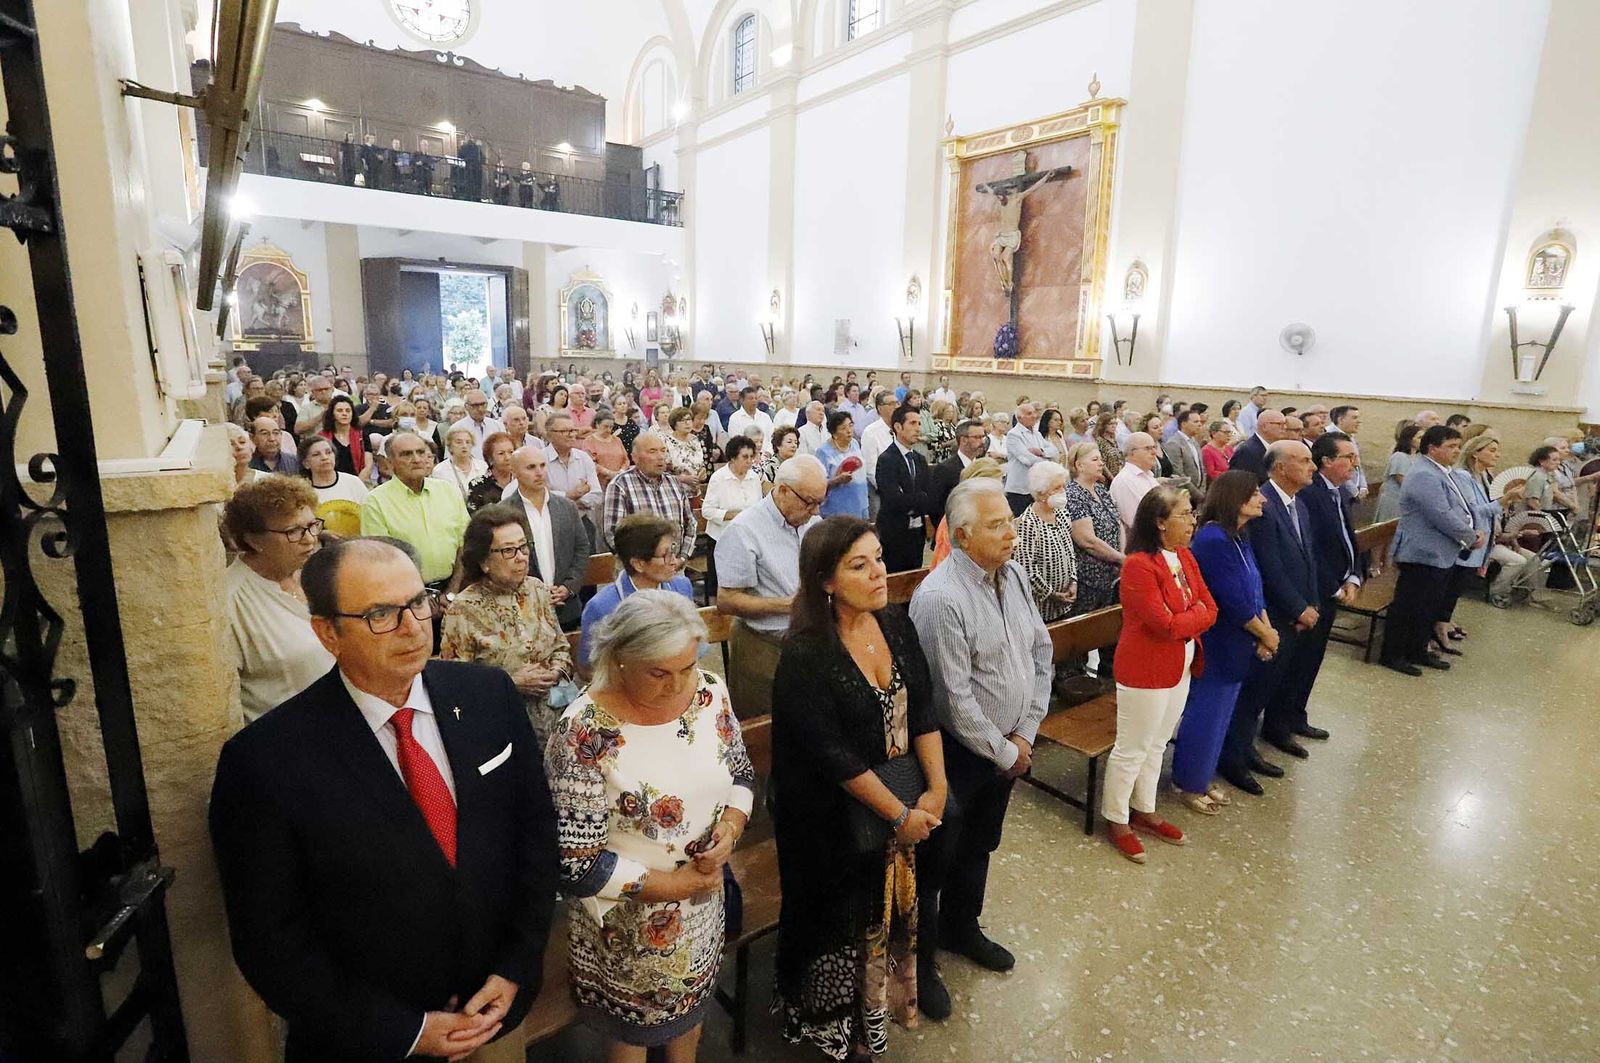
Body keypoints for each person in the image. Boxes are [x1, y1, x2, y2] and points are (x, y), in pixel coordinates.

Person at [209, 538, 559, 1063]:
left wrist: (516, 965)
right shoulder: (264, 761)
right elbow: (270, 940)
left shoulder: (487, 695)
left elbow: (534, 834)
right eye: (380, 614)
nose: (414, 626)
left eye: (418, 602)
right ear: (328, 632)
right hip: (370, 1039)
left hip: (494, 1009)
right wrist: (406, 1030)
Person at [545, 591, 753, 1060]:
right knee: (631, 1033)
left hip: (703, 903)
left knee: (691, 1011)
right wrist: (678, 884)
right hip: (627, 926)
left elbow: (739, 770)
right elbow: (578, 865)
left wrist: (732, 828)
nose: (678, 685)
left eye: (686, 666)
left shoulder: (708, 691)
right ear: (619, 659)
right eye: (659, 673)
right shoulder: (583, 732)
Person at [773, 516, 950, 1049]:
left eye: (878, 558)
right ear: (826, 581)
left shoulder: (895, 622)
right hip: (828, 816)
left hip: (902, 794)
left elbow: (922, 708)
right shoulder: (807, 651)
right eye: (859, 565)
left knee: (890, 915)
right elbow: (833, 757)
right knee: (841, 922)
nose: (878, 572)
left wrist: (937, 789)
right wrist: (900, 814)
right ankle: (836, 1028)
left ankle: (880, 1010)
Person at [909, 478, 1051, 995]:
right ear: (962, 535)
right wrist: (1005, 750)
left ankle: (962, 929)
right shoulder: (940, 598)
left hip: (1011, 743)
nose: (1012, 532)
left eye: (1010, 521)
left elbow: (1040, 653)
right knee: (937, 859)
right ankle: (921, 965)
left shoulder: (1012, 575)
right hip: (956, 754)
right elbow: (951, 700)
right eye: (997, 525)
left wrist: (1027, 732)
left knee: (979, 845)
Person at [1104, 487, 1216, 861]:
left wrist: (1188, 618)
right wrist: (1191, 617)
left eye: (1191, 513)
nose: (1192, 520)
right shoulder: (1139, 564)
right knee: (1132, 747)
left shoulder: (1183, 555)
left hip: (1179, 661)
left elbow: (1210, 608)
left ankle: (1145, 809)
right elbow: (1161, 624)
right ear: (1159, 522)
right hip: (1146, 667)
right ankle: (1117, 818)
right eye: (1184, 514)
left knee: (1157, 742)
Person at [1217, 441, 1319, 793]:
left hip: (1291, 613)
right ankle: (1234, 756)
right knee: (1252, 692)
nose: (1312, 467)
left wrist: (1313, 602)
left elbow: (1307, 559)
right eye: (1304, 460)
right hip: (1271, 616)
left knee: (1269, 688)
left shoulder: (1297, 505)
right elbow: (1269, 568)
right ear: (1280, 468)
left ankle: (1248, 749)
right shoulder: (1263, 507)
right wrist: (1297, 608)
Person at [1170, 472, 1275, 815]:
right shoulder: (1213, 538)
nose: (1262, 499)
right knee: (1207, 714)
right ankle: (1188, 782)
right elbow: (1230, 598)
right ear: (1236, 498)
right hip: (1220, 640)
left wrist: (1266, 629)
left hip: (1242, 638)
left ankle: (1202, 775)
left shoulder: (1238, 535)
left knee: (1224, 713)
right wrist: (1263, 632)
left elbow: (1255, 586)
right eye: (1255, 493)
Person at [440, 505, 575, 748]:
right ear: (484, 561)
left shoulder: (537, 590)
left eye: (523, 547)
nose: (521, 557)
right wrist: (511, 683)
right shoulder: (463, 610)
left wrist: (555, 671)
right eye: (509, 551)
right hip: (501, 727)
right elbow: (455, 686)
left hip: (557, 714)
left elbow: (561, 646)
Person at [715, 456, 825, 716]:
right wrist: (788, 605)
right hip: (763, 645)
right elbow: (727, 600)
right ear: (783, 490)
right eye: (810, 502)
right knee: (765, 726)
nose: (816, 511)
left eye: (821, 502)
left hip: (810, 641)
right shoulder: (744, 530)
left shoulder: (812, 523)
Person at [222, 477, 334, 727]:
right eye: (293, 531)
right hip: (289, 741)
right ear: (253, 540)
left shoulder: (315, 574)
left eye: (312, 525)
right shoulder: (231, 602)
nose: (310, 539)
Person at [1379, 426, 1481, 677]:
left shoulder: (1442, 471)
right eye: (1451, 446)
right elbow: (1440, 514)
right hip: (1422, 551)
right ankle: (1392, 654)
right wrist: (1469, 536)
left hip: (1440, 551)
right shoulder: (1424, 474)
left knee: (1428, 605)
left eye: (1458, 446)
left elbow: (1459, 506)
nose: (1456, 451)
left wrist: (1475, 529)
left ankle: (1417, 649)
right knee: (1409, 605)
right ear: (1432, 448)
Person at [578, 514, 695, 668]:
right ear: (638, 564)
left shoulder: (681, 588)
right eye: (665, 555)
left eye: (673, 551)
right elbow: (588, 667)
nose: (674, 561)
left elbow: (694, 644)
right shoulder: (602, 606)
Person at [359, 430, 469, 589]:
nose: (417, 459)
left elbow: (464, 544)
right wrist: (419, 599)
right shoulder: (375, 502)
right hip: (406, 594)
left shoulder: (448, 490)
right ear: (390, 463)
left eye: (421, 452)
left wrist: (452, 591)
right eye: (406, 454)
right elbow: (381, 559)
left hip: (454, 588)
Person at [506, 445, 586, 629]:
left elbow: (581, 549)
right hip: (524, 611)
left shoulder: (567, 507)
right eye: (531, 467)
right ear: (514, 471)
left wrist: (568, 587)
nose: (539, 472)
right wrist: (536, 593)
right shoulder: (505, 512)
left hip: (566, 607)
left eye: (542, 465)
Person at [1457, 436, 1543, 606]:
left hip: (1490, 536)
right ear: (1475, 453)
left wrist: (1508, 502)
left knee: (1534, 559)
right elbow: (1474, 511)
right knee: (1455, 585)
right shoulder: (1464, 476)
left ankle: (1525, 594)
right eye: (1492, 450)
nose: (1497, 455)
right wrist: (1506, 499)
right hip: (1475, 536)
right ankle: (1498, 593)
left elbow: (1496, 512)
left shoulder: (1484, 477)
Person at [602, 431, 698, 562]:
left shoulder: (675, 484)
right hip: (638, 568)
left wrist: (682, 558)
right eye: (652, 452)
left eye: (663, 451)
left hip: (675, 565)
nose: (660, 457)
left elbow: (691, 524)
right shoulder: (620, 485)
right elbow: (613, 533)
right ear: (635, 457)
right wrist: (642, 563)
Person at [1063, 441, 1125, 620]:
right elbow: (1087, 540)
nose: (1101, 464)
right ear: (1079, 465)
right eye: (1095, 460)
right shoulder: (1073, 494)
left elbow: (1117, 522)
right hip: (1089, 578)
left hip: (1112, 573)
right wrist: (1120, 558)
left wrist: (1120, 553)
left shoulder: (1101, 489)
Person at [874, 406, 933, 574]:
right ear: (898, 427)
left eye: (919, 423)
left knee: (912, 581)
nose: (918, 428)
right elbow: (893, 500)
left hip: (916, 534)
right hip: (894, 533)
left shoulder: (920, 460)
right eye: (912, 423)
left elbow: (929, 497)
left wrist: (913, 499)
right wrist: (918, 498)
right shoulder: (887, 460)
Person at [703, 435, 764, 598]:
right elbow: (707, 510)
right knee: (719, 584)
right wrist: (733, 515)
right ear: (732, 457)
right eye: (745, 457)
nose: (750, 461)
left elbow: (758, 505)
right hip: (720, 537)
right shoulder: (719, 478)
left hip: (746, 538)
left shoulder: (754, 477)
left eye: (752, 456)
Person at [544, 411, 603, 550]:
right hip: (552, 525)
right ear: (549, 434)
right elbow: (542, 495)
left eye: (573, 430)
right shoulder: (540, 460)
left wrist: (570, 502)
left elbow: (596, 494)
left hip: (583, 523)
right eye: (565, 431)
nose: (571, 435)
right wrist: (570, 496)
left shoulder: (583, 458)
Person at [299, 435, 368, 536]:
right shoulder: (302, 490)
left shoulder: (353, 482)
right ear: (306, 463)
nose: (324, 457)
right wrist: (321, 534)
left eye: (328, 452)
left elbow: (369, 515)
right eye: (316, 454)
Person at [929, 418, 990, 531]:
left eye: (983, 437)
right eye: (977, 437)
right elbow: (936, 507)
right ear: (963, 440)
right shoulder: (945, 469)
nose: (982, 442)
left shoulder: (983, 466)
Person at [817, 411, 869, 519]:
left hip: (860, 501)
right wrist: (837, 480)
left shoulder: (854, 443)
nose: (849, 431)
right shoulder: (823, 452)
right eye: (843, 428)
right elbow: (818, 483)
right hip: (837, 507)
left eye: (850, 425)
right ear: (834, 433)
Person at [1111, 432, 1163, 536]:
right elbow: (1137, 522)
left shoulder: (1148, 476)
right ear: (1132, 453)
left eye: (1154, 447)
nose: (1154, 452)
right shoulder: (1125, 481)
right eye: (1148, 448)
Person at [1003, 402, 1050, 515]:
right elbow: (1026, 459)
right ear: (1020, 418)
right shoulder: (1013, 435)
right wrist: (1048, 462)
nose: (1034, 416)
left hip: (1034, 489)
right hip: (1019, 489)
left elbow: (1053, 451)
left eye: (1034, 413)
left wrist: (1041, 452)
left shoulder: (1037, 434)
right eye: (1029, 413)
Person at [861, 390, 901, 518]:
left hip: (901, 489)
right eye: (891, 404)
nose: (896, 407)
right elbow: (870, 468)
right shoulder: (871, 432)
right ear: (880, 408)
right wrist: (889, 490)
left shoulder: (900, 429)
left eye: (897, 403)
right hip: (879, 491)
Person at [1376, 424, 1421, 524]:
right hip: (1395, 500)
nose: (1422, 440)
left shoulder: (1419, 457)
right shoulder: (1399, 456)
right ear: (1409, 439)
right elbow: (1403, 481)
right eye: (1419, 437)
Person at [1228, 408, 1286, 483]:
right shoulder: (1247, 452)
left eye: (1285, 424)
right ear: (1265, 426)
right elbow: (1240, 485)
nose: (1284, 428)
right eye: (1279, 424)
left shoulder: (1275, 448)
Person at [467, 431, 518, 514]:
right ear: (490, 458)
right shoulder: (477, 485)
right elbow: (475, 520)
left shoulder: (521, 481)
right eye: (501, 453)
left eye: (511, 452)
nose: (508, 457)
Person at [1164, 408, 1209, 501]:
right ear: (1184, 424)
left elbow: (1202, 469)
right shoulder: (1174, 443)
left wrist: (1202, 490)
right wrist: (1198, 494)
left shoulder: (1195, 442)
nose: (1199, 424)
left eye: (1200, 421)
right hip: (1184, 495)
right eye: (1195, 422)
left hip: (1199, 494)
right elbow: (1178, 473)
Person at [433, 424, 487, 500]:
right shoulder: (439, 470)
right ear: (450, 446)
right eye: (459, 442)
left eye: (468, 442)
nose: (464, 446)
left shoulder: (483, 466)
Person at [320, 395, 367, 478]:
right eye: (339, 410)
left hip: (358, 481)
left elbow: (368, 466)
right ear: (332, 414)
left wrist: (356, 483)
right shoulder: (322, 437)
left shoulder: (361, 435)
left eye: (348, 410)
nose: (344, 413)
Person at [581, 410, 629, 489]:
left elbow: (626, 460)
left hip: (618, 481)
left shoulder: (617, 440)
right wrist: (609, 473)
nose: (608, 430)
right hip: (599, 482)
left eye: (611, 427)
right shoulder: (589, 441)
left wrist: (621, 472)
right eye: (605, 426)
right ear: (597, 424)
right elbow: (590, 463)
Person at [726, 386, 775, 452]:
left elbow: (772, 438)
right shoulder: (735, 418)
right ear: (742, 400)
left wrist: (768, 453)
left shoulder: (765, 417)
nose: (754, 401)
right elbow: (736, 442)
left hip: (767, 456)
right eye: (750, 398)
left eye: (756, 398)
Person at [760, 425, 800, 490]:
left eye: (796, 442)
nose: (794, 445)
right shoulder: (770, 466)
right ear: (778, 445)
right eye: (789, 442)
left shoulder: (798, 465)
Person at [1201, 420, 1235, 484]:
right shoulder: (1206, 451)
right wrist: (1231, 477)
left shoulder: (1229, 448)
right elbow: (1211, 473)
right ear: (1214, 434)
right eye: (1225, 432)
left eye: (1230, 432)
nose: (1229, 435)